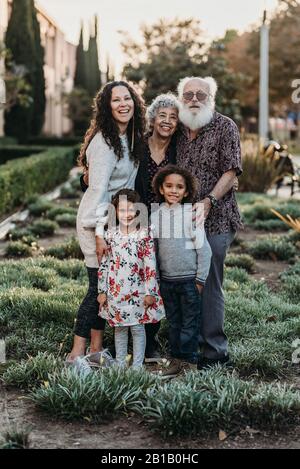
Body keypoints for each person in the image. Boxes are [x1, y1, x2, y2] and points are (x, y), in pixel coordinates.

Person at [80, 93, 180, 363]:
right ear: (152, 119)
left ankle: (149, 342)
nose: (167, 122)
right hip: (131, 219)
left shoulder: (178, 148)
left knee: (154, 273)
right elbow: (104, 178)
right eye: (162, 116)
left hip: (168, 220)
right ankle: (109, 347)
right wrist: (85, 180)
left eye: (173, 117)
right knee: (121, 273)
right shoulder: (140, 143)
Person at [67, 81, 146, 362]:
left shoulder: (129, 136)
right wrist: (101, 233)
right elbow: (98, 190)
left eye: (128, 98)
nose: (123, 104)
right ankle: (76, 354)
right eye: (116, 100)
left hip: (115, 223)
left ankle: (97, 349)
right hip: (95, 223)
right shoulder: (104, 142)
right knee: (96, 289)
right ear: (106, 106)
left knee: (108, 288)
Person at [176, 76, 243, 369]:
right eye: (188, 94)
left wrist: (209, 201)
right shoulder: (175, 128)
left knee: (210, 280)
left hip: (217, 218)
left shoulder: (225, 126)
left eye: (200, 94)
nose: (194, 99)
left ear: (210, 98)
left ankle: (215, 352)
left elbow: (231, 172)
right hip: (180, 220)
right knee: (181, 281)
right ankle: (185, 345)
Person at [151, 166, 212, 377]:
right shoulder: (154, 216)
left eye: (179, 187)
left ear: (186, 192)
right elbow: (154, 250)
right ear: (161, 188)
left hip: (189, 282)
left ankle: (190, 365)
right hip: (167, 281)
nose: (174, 190)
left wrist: (200, 280)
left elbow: (205, 250)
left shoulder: (191, 215)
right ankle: (176, 361)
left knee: (189, 325)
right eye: (169, 186)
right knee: (174, 324)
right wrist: (157, 279)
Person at [98, 189, 165, 369]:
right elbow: (104, 264)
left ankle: (136, 366)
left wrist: (151, 292)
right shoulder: (110, 235)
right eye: (122, 210)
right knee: (119, 328)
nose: (126, 214)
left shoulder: (144, 233)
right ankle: (120, 364)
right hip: (116, 291)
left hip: (138, 291)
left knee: (137, 328)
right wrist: (101, 291)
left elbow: (150, 265)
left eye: (130, 209)